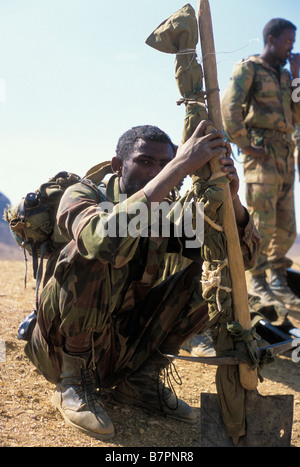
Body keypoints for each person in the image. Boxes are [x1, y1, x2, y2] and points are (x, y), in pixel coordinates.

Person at [24, 120, 260, 440]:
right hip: (59, 349)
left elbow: (239, 259)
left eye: (164, 163)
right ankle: (72, 384)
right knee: (94, 249)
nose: (157, 172)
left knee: (221, 273)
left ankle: (141, 381)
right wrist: (177, 167)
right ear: (118, 166)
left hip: (121, 347)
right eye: (145, 162)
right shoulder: (82, 194)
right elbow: (99, 240)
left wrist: (231, 200)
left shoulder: (165, 214)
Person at [221, 18, 300, 312]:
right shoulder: (249, 68)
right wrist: (245, 144)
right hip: (262, 154)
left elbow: (298, 113)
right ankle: (256, 282)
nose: (291, 46)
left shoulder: (284, 76)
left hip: (284, 155)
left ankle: (278, 280)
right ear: (271, 39)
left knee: (285, 223)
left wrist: (297, 77)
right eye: (287, 41)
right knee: (262, 222)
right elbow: (230, 106)